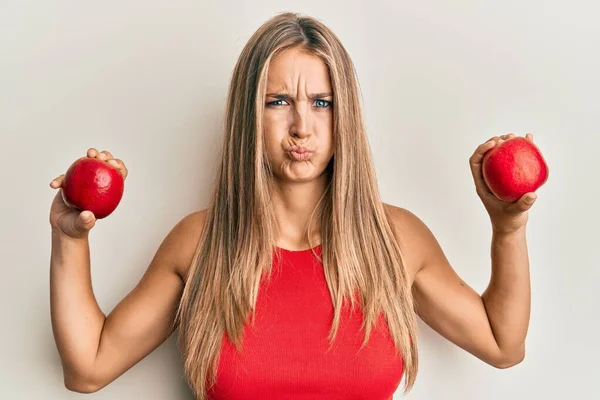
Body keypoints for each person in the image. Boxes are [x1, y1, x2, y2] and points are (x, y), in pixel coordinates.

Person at [48, 12, 537, 400]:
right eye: (278, 101)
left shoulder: (397, 239)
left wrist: (508, 227)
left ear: (344, 115)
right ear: (248, 115)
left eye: (322, 102)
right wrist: (70, 238)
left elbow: (502, 344)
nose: (302, 126)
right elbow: (88, 368)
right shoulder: (201, 243)